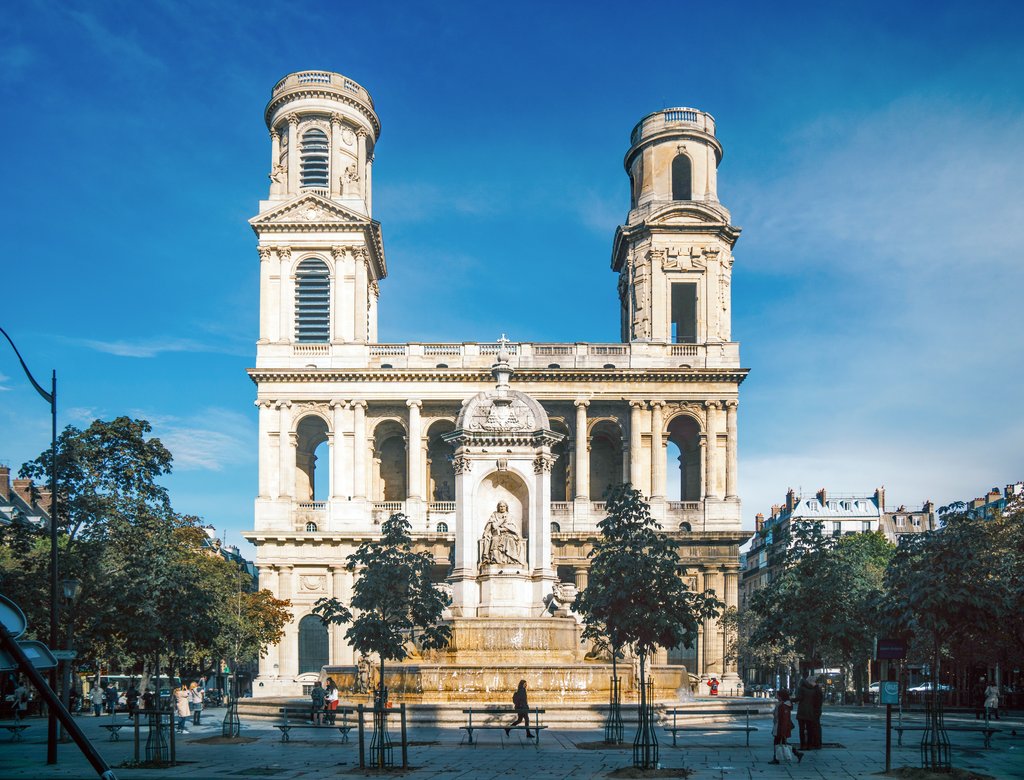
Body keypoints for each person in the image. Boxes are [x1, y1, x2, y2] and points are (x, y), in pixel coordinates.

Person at [769, 689, 803, 764]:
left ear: (781, 696)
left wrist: (783, 731)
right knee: (783, 742)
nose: (776, 696)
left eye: (777, 695)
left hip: (780, 728)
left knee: (777, 742)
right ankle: (797, 753)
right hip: (779, 726)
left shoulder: (784, 706)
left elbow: (784, 719)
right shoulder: (782, 704)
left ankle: (776, 758)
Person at [794, 673, 816, 750]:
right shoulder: (813, 689)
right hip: (810, 712)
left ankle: (802, 745)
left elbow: (799, 698)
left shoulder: (801, 689)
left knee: (801, 729)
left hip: (802, 712)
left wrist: (791, 700)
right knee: (810, 729)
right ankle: (809, 745)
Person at [811, 675, 825, 748]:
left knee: (815, 726)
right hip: (817, 710)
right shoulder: (817, 689)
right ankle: (817, 742)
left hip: (815, 710)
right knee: (816, 726)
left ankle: (816, 743)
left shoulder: (816, 690)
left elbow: (816, 701)